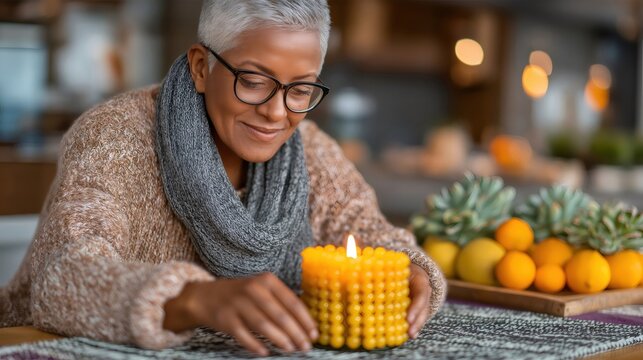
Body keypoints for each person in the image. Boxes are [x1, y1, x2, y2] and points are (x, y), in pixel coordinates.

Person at [0, 0, 445, 356]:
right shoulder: (115, 137)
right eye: (253, 81)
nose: (277, 111)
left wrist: (412, 271)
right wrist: (194, 299)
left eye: (301, 88)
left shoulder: (309, 147)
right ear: (200, 67)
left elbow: (371, 233)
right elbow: (62, 280)